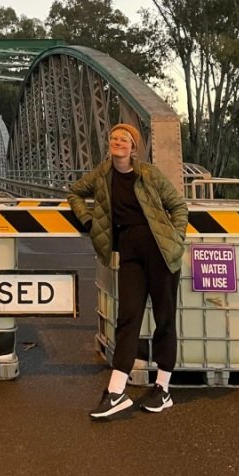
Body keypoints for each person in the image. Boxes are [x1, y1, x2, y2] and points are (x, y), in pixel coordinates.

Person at [67, 122, 188, 419]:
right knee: (128, 317)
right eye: (113, 138)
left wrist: (176, 238)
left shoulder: (148, 173)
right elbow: (74, 193)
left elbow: (178, 206)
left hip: (160, 252)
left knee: (164, 318)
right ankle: (116, 392)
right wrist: (89, 221)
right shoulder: (103, 174)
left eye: (124, 139)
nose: (117, 142)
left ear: (133, 147)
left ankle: (163, 389)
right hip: (130, 254)